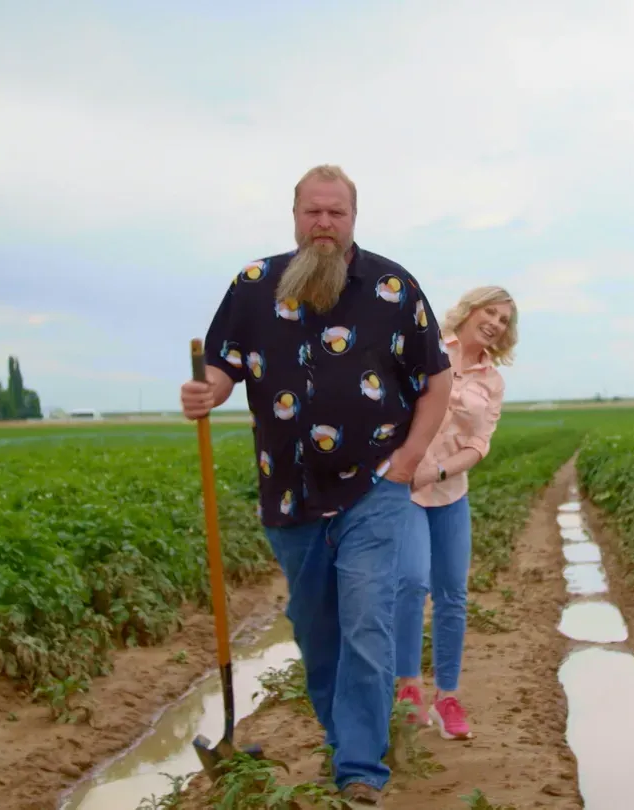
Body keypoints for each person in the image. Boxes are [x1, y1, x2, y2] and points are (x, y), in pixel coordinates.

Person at [180, 164, 452, 805]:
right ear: (295, 216)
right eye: (313, 213)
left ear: (353, 219)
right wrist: (207, 392)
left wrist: (409, 459)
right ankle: (344, 739)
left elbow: (436, 379)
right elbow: (225, 366)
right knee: (316, 630)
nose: (324, 224)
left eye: (337, 213)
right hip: (289, 493)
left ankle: (360, 770)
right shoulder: (253, 287)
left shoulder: (392, 287)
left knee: (365, 624)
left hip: (374, 490)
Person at [391, 285, 516, 741]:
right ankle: (408, 688)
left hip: (449, 492)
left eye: (504, 320)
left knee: (452, 595)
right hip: (403, 489)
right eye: (491, 311)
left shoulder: (492, 382)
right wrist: (409, 463)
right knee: (409, 582)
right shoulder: (425, 346)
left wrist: (438, 470)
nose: (496, 323)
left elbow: (478, 446)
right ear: (469, 310)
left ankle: (447, 697)